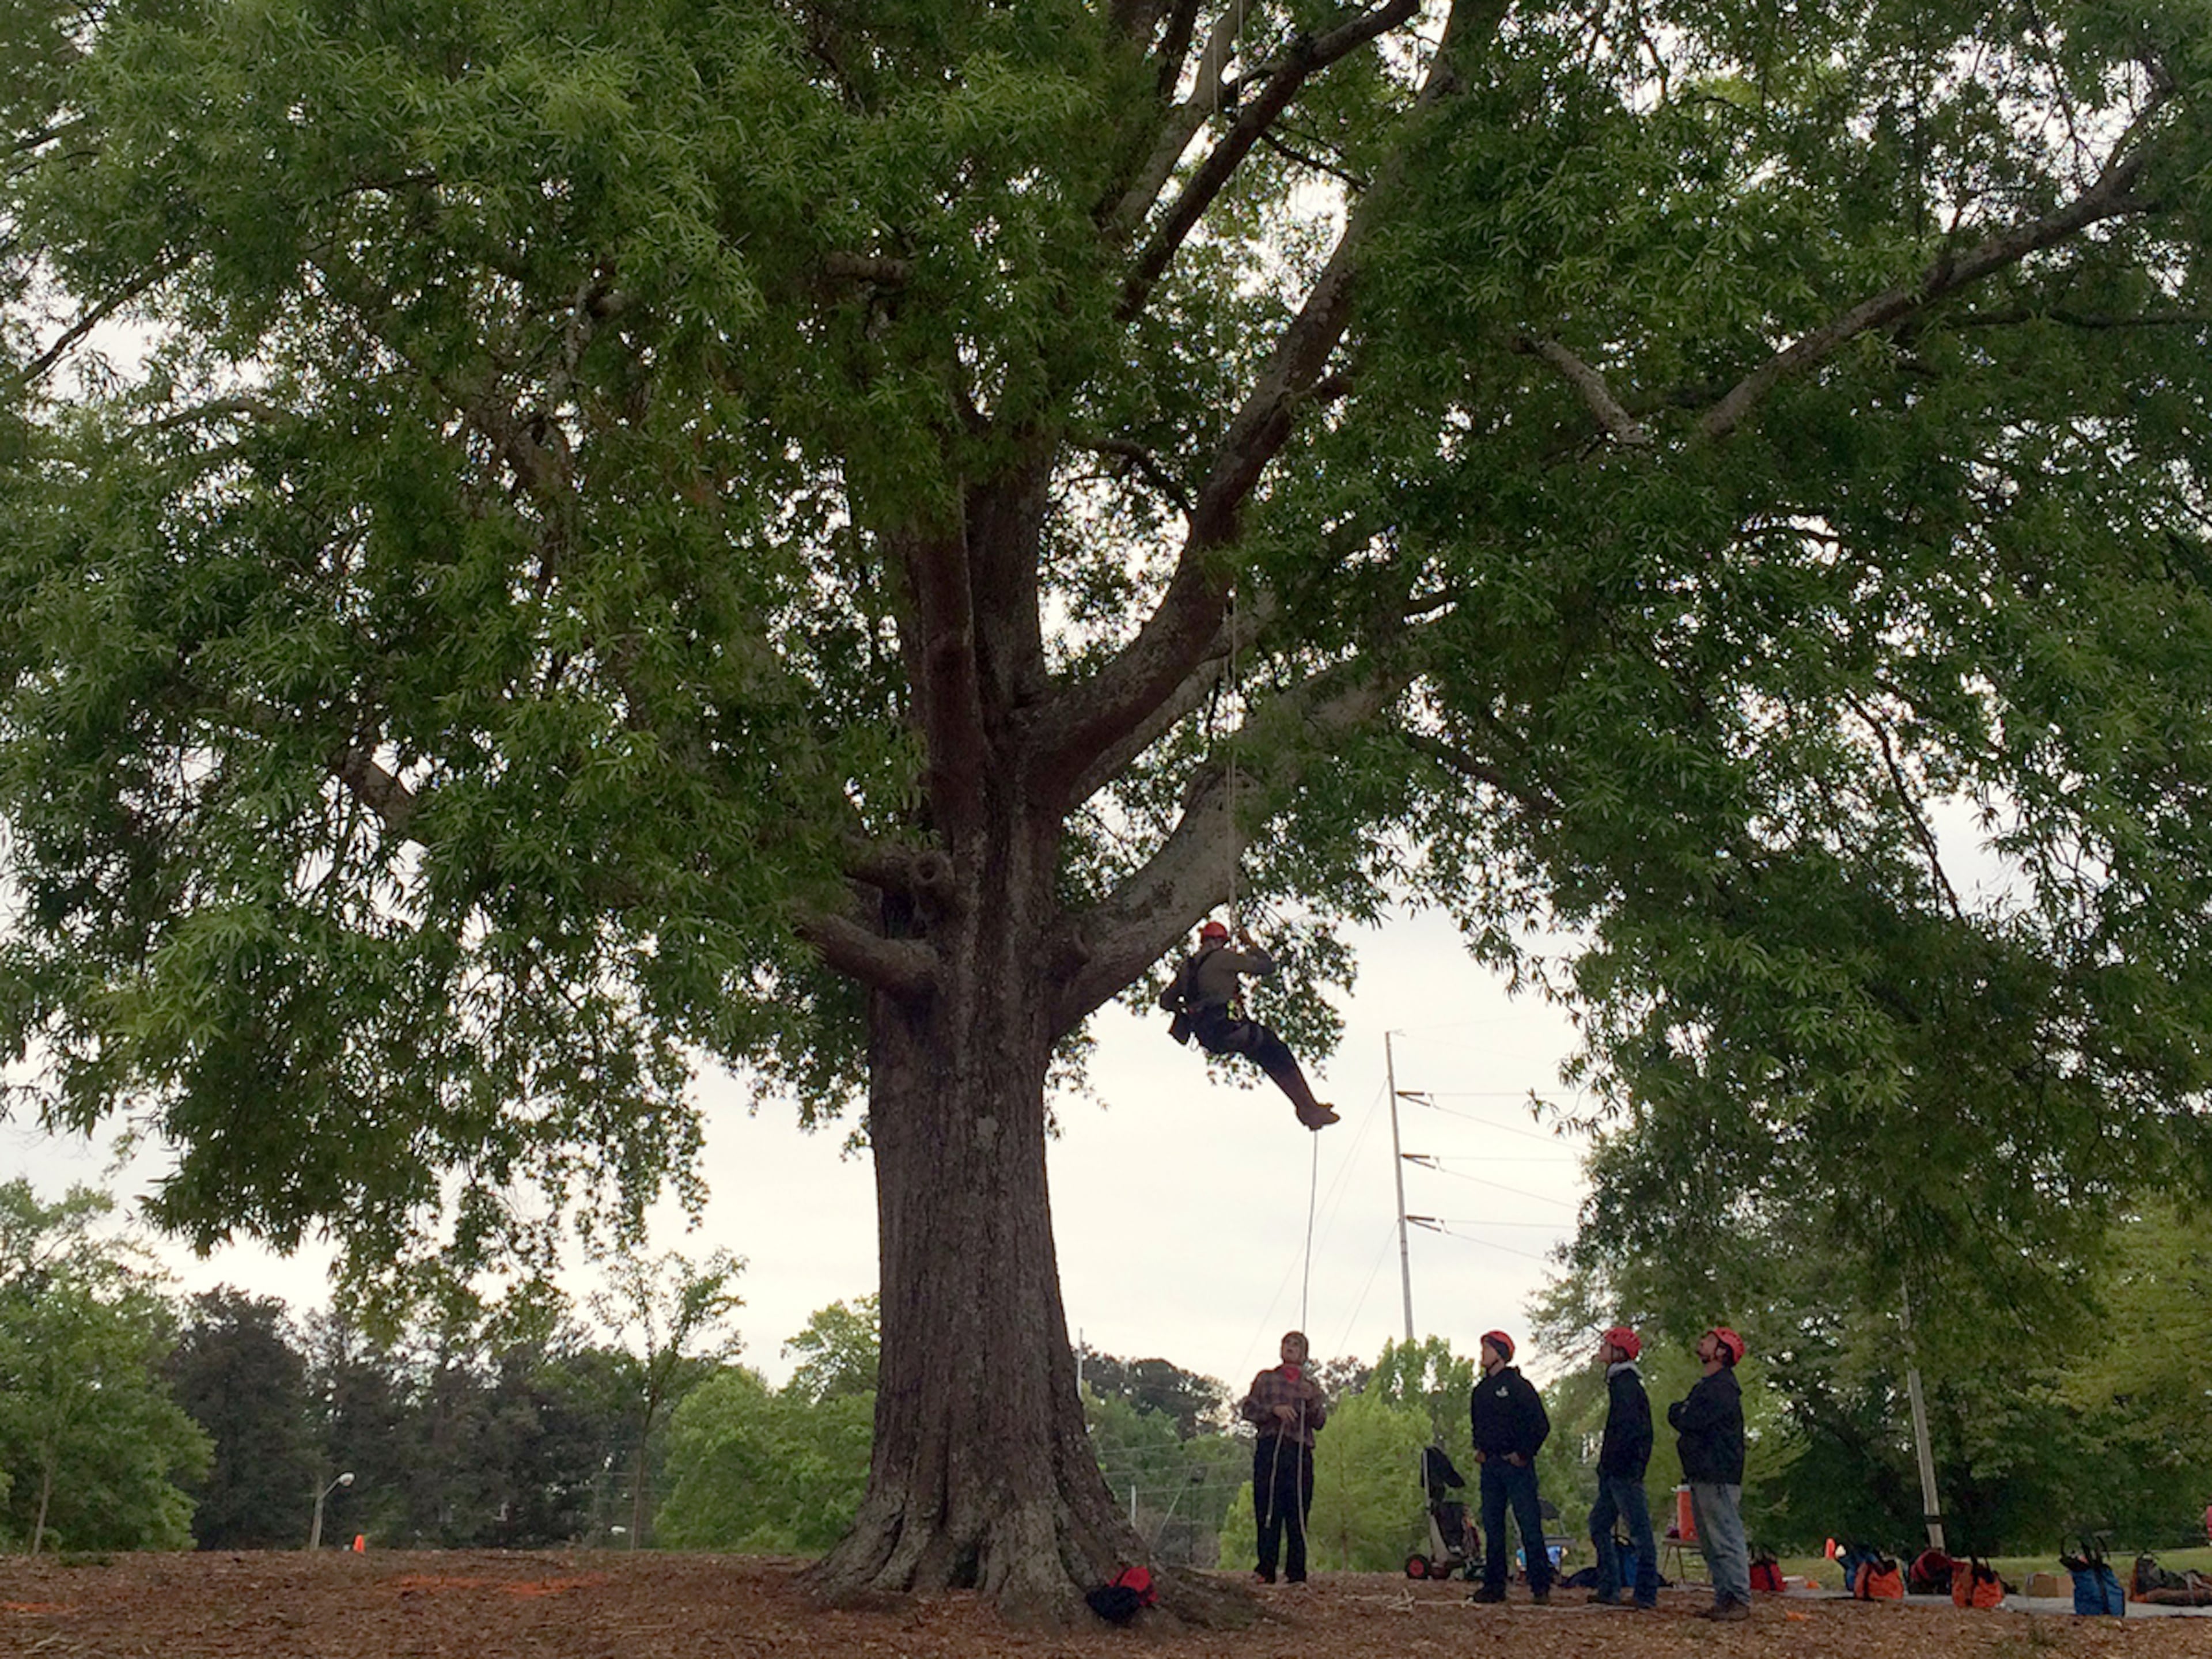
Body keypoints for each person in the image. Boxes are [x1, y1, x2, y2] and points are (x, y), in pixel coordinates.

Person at [1160, 920, 1339, 1128]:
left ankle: (1308, 1108)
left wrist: (1190, 1009)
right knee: (1277, 1051)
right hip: (1227, 1029)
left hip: (1208, 1036)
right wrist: (1249, 943)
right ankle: (1307, 1108)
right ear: (1220, 941)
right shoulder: (1224, 958)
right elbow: (1267, 967)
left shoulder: (1187, 967)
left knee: (1267, 1055)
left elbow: (1166, 1001)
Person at [1668, 1326, 1751, 1622]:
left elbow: (1689, 1419)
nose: (1702, 1342)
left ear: (1722, 1352)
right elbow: (1684, 1416)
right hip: (1704, 1473)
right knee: (1711, 1541)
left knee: (1725, 1537)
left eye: (1710, 1341)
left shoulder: (1721, 1389)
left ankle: (1738, 1597)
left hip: (1718, 1474)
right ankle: (1724, 1597)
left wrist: (1681, 1413)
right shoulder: (1709, 1387)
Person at [1467, 1329, 1553, 1605]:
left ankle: (1540, 1586)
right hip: (1491, 1467)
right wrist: (1480, 1449)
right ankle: (1494, 1585)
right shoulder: (1480, 1392)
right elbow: (1478, 1425)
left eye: (1487, 1349)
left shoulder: (1519, 1387)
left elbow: (1540, 1424)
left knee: (1529, 1524)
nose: (1482, 1354)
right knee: (1493, 1527)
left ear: (1501, 1354)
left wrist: (1524, 1453)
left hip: (1517, 1467)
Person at [1238, 1330, 1330, 1585]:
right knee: (1268, 1508)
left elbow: (1320, 1422)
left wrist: (1311, 1402)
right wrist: (1273, 1410)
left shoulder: (1310, 1387)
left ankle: (1296, 1572)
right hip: (1270, 1448)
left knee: (1298, 1510)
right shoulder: (1265, 1379)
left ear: (1304, 1355)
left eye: (1296, 1345)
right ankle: (1266, 1569)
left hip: (1300, 1451)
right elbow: (1248, 1409)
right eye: (1286, 1343)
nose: (1290, 1347)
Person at [1586, 1324, 1659, 1610]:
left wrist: (1619, 1464)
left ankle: (1644, 1593)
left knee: (1638, 1530)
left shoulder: (1625, 1386)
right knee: (1600, 1524)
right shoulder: (1622, 1384)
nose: (1601, 1349)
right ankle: (1610, 1587)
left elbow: (1629, 1431)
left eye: (1606, 1345)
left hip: (1623, 1472)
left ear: (1619, 1352)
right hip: (1617, 1470)